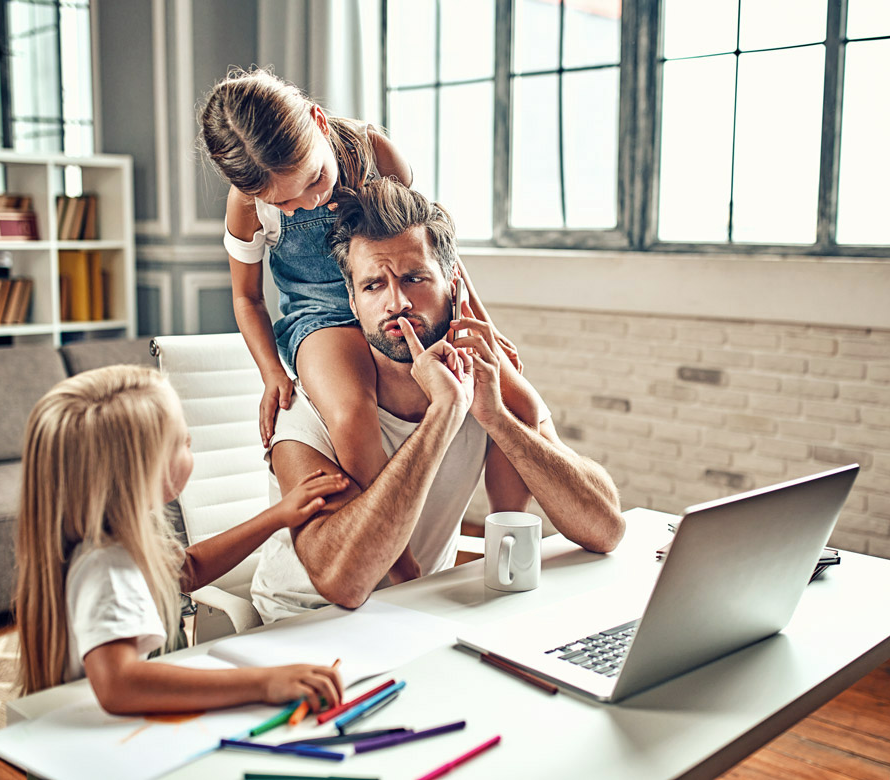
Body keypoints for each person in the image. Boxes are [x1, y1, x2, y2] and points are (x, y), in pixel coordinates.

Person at [250, 179, 625, 622]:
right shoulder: (308, 409)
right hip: (305, 624)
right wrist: (443, 415)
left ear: (454, 286)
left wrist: (496, 417)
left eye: (414, 278)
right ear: (351, 300)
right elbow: (344, 583)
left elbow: (606, 528)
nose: (397, 302)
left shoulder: (483, 385)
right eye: (373, 286)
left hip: (421, 613)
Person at [13, 365, 347, 715]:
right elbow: (118, 684)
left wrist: (277, 516)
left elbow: (187, 570)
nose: (191, 444)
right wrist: (264, 682)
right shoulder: (107, 566)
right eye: (182, 442)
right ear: (139, 472)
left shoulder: (115, 533)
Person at [199, 66, 422, 581]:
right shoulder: (247, 206)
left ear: (318, 122)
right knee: (349, 411)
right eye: (284, 202)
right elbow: (247, 298)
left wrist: (477, 317)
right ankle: (401, 563)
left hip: (395, 295)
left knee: (502, 387)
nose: (308, 201)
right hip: (321, 316)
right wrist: (272, 373)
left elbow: (427, 246)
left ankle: (510, 533)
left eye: (315, 179)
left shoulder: (375, 154)